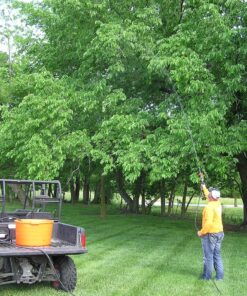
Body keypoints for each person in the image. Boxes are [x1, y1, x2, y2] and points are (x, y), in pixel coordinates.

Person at [197, 173, 224, 280]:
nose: (208, 194)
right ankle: (219, 277)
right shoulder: (217, 202)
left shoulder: (209, 207)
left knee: (208, 257)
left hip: (210, 234)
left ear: (211, 197)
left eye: (209, 194)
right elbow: (208, 193)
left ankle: (206, 277)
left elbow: (208, 224)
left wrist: (201, 232)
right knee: (217, 255)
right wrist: (202, 182)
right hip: (220, 233)